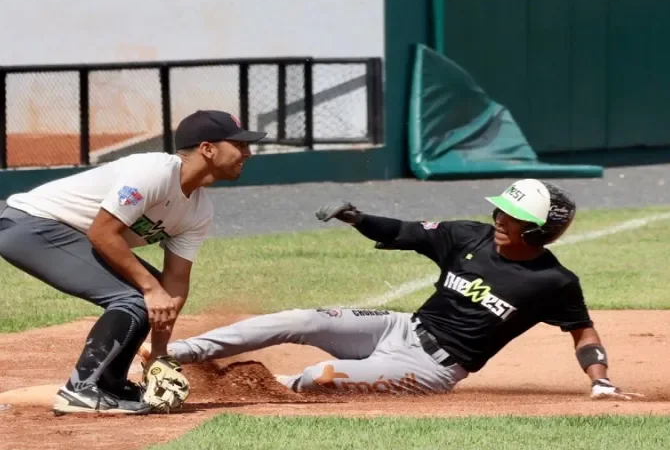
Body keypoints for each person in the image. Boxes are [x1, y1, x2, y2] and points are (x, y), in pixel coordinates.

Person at [139, 179, 642, 400]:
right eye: (499, 209)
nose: (498, 217)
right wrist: (358, 218)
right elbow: (403, 231)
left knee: (320, 376)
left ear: (537, 230)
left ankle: (252, 391)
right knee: (298, 319)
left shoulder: (554, 282)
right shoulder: (469, 235)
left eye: (511, 215)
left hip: (429, 369)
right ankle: (171, 356)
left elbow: (581, 331)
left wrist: (600, 379)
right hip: (399, 327)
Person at [0, 110, 266, 415]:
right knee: (136, 295)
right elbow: (102, 233)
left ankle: (109, 385)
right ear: (207, 148)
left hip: (62, 233)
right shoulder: (154, 172)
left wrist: (160, 354)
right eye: (240, 145)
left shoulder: (198, 211)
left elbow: (175, 281)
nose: (247, 152)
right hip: (30, 226)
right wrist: (151, 288)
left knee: (147, 291)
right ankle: (81, 389)